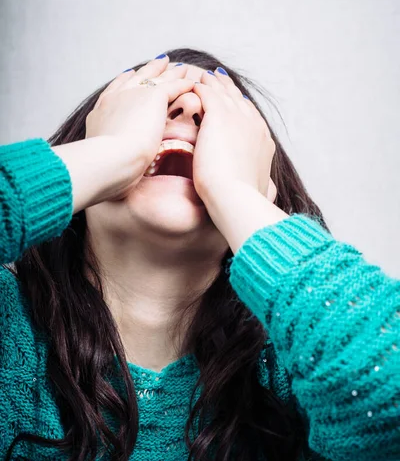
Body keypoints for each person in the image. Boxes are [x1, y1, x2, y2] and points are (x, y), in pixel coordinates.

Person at [0, 48, 398, 461]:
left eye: (217, 120)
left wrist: (234, 194)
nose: (189, 105)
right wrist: (113, 153)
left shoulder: (295, 376)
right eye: (151, 104)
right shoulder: (9, 323)